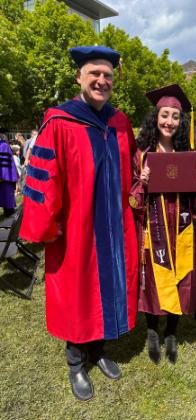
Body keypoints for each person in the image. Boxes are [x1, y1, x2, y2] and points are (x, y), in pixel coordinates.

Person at [20, 46, 138, 401]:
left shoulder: (120, 123)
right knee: (78, 291)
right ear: (80, 78)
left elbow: (132, 168)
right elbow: (43, 179)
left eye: (108, 76)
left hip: (114, 228)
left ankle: (98, 350)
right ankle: (76, 361)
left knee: (107, 287)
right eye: (95, 75)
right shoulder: (59, 122)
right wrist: (46, 227)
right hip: (76, 229)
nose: (102, 81)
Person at [129, 84, 196, 364]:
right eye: (164, 115)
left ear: (180, 121)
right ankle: (151, 329)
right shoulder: (141, 154)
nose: (169, 121)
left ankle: (172, 330)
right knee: (153, 280)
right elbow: (133, 199)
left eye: (175, 116)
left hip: (181, 228)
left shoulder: (188, 154)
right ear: (155, 118)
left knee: (180, 275)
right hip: (154, 226)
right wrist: (142, 182)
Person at [0, 133, 18, 216]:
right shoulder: (4, 146)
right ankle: (8, 212)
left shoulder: (3, 145)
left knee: (5, 193)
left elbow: (5, 161)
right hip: (4, 176)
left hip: (3, 176)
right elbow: (7, 162)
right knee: (6, 194)